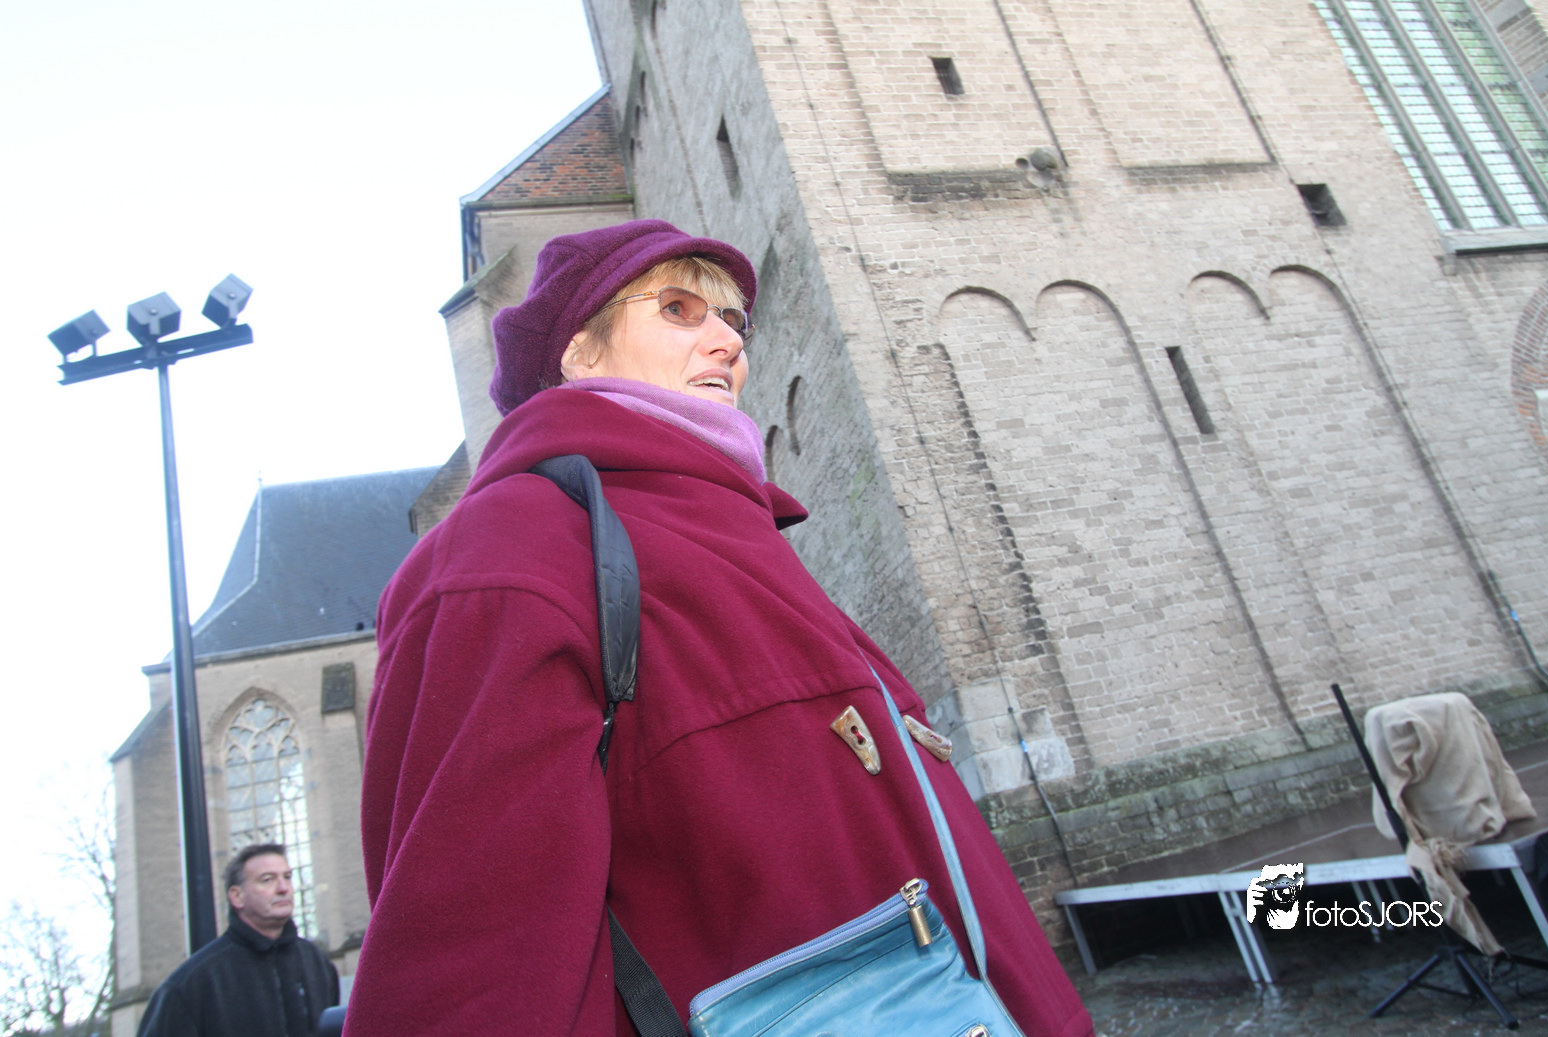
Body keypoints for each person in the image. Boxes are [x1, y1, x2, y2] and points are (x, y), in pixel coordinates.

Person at [346, 219, 1093, 1037]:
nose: (727, 341)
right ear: (579, 351)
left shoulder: (738, 535)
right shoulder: (514, 546)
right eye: (678, 309)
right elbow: (473, 971)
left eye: (733, 320)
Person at [138, 843, 339, 1037]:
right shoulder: (191, 983)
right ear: (237, 896)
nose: (283, 888)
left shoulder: (316, 963)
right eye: (267, 880)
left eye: (287, 877)